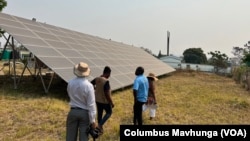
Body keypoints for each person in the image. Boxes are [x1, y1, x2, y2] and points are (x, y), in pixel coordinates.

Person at [66, 62, 97, 141]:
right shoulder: (89, 86)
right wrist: (93, 120)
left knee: (70, 137)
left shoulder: (70, 83)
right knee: (84, 138)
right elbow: (91, 105)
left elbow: (69, 94)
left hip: (72, 111)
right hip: (84, 114)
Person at [91, 66, 114, 133]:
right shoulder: (106, 81)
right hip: (105, 101)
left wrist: (95, 88)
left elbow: (90, 84)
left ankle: (100, 130)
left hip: (97, 100)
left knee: (100, 114)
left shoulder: (97, 78)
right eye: (109, 74)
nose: (109, 76)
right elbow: (106, 93)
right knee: (109, 112)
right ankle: (99, 125)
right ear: (108, 73)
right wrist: (111, 102)